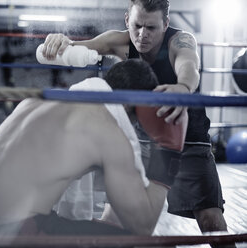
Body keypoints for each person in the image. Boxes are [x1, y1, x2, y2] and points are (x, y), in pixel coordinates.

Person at [42, 0, 229, 236]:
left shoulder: (179, 40)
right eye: (137, 26)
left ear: (166, 24)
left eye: (151, 28)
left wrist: (183, 87)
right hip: (141, 140)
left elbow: (189, 64)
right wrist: (61, 41)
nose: (142, 35)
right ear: (126, 20)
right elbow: (75, 47)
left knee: (211, 219)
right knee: (115, 216)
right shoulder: (119, 41)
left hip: (188, 139)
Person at [0, 59, 183, 236]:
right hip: (11, 235)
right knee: (131, 241)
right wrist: (168, 151)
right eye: (136, 123)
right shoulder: (105, 128)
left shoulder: (37, 101)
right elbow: (142, 226)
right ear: (131, 106)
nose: (133, 130)